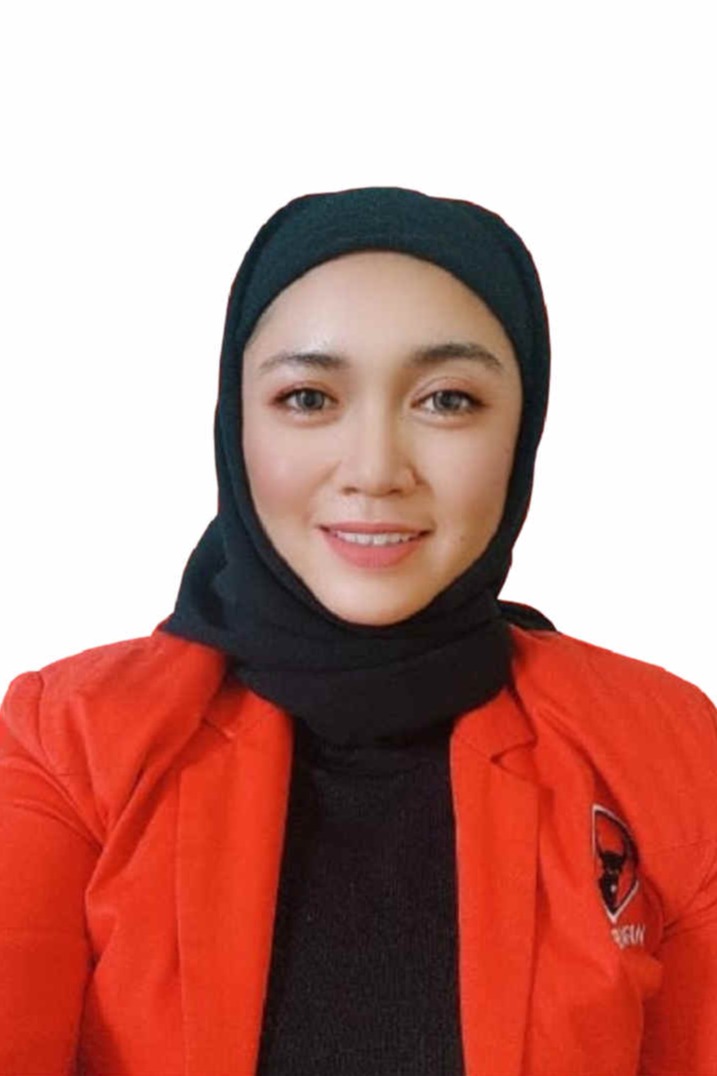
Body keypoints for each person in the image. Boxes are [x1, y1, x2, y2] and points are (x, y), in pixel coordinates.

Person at [0, 185, 715, 1076]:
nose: (375, 470)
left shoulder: (664, 747)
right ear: (235, 424)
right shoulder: (72, 742)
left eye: (447, 400)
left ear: (522, 429)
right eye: (308, 397)